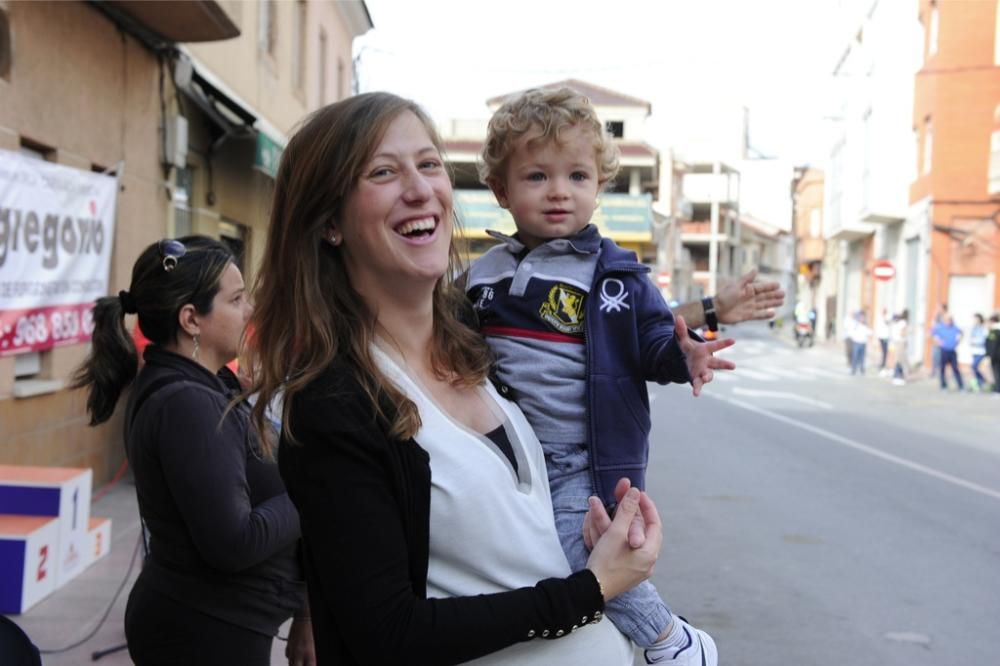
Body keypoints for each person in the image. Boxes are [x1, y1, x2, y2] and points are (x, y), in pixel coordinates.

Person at [245, 92, 665, 666]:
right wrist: (593, 588)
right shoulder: (332, 402)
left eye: (429, 164)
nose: (420, 189)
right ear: (330, 224)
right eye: (383, 171)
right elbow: (387, 632)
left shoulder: (477, 339)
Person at [468, 87, 731, 665]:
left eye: (578, 176)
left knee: (583, 555)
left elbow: (655, 343)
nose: (560, 191)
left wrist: (685, 356)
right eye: (537, 176)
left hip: (579, 456)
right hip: (506, 453)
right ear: (501, 190)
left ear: (599, 185)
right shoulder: (480, 274)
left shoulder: (616, 274)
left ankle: (671, 640)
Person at [71, 237, 312, 666]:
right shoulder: (188, 403)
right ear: (191, 320)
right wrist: (311, 491)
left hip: (219, 625)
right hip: (204, 634)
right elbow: (234, 543)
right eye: (236, 300)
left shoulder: (206, 386)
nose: (250, 310)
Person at [931, 313, 964, 391]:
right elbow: (933, 334)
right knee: (942, 369)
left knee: (955, 368)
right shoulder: (940, 327)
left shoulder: (955, 327)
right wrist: (938, 341)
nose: (949, 321)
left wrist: (958, 340)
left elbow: (961, 333)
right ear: (944, 320)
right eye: (947, 319)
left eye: (950, 319)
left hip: (952, 351)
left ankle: (961, 385)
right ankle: (943, 386)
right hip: (943, 351)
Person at [969, 313, 988, 391]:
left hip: (981, 351)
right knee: (974, 368)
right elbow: (971, 339)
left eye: (976, 319)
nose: (974, 321)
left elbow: (983, 340)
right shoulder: (974, 328)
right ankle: (979, 382)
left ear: (980, 319)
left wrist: (975, 341)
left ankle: (982, 380)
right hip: (974, 351)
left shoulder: (983, 328)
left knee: (974, 366)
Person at [849, 310, 872, 376]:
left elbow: (870, 333)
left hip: (863, 343)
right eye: (861, 317)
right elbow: (851, 332)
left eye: (863, 317)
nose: (862, 318)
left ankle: (862, 369)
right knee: (855, 357)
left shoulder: (865, 325)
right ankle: (853, 369)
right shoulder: (856, 324)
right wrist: (853, 338)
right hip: (857, 343)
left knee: (862, 357)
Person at [890, 309, 910, 386]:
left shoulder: (898, 323)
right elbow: (902, 333)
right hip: (900, 342)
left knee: (898, 359)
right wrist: (909, 332)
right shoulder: (903, 323)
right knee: (900, 359)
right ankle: (898, 376)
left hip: (897, 341)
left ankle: (898, 376)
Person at [986, 313, 1000, 394]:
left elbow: (993, 345)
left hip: (996, 356)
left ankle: (997, 389)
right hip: (996, 355)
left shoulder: (995, 331)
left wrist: (990, 355)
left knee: (996, 372)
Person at [875, 307, 891, 374]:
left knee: (885, 351)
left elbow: (888, 323)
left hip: (886, 337)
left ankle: (883, 364)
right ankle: (881, 363)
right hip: (881, 336)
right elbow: (878, 327)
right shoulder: (879, 318)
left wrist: (885, 318)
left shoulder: (887, 317)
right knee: (882, 351)